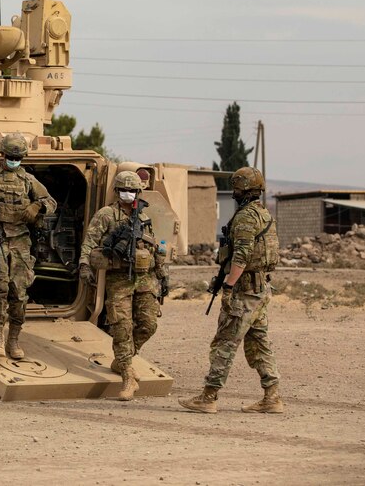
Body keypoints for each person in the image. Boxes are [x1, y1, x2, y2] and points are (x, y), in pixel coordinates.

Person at [179, 166, 283, 415]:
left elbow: (242, 256)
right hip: (259, 290)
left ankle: (208, 396)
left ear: (243, 189)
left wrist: (228, 286)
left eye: (236, 187)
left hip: (245, 292)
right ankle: (272, 397)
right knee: (259, 343)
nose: (234, 192)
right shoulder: (263, 214)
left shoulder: (246, 217)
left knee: (224, 343)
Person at [0, 133, 56, 360]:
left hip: (20, 240)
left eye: (18, 157)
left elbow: (50, 202)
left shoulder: (27, 179)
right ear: (2, 154)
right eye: (10, 156)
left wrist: (36, 207)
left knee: (19, 292)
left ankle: (13, 339)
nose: (14, 160)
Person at [79, 168, 167, 401]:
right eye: (123, 190)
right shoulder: (106, 214)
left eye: (132, 190)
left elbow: (155, 244)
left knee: (148, 324)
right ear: (117, 191)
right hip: (119, 279)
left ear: (138, 191)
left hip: (144, 278)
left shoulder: (144, 216)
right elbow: (90, 241)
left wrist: (161, 271)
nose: (128, 194)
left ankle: (121, 360)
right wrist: (84, 265)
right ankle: (128, 375)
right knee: (121, 327)